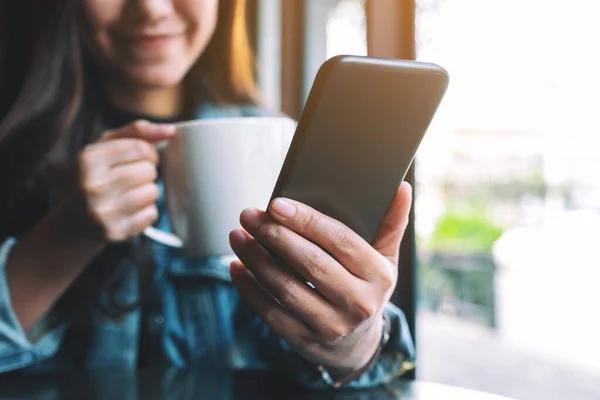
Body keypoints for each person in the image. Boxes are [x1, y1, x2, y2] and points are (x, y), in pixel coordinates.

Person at [0, 0, 415, 388]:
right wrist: (63, 239)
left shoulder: (282, 146)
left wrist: (354, 347)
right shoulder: (15, 151)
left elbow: (335, 352)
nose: (150, 9)